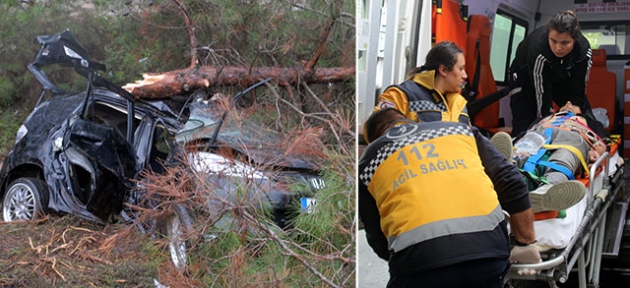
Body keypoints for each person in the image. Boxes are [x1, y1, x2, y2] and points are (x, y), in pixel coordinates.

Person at [358, 108, 540, 288]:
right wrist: (526, 242)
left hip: (418, 268)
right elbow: (510, 180)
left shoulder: (368, 161)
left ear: (375, 139)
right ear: (410, 121)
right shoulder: (460, 131)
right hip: (487, 255)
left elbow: (377, 237)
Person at [491, 101, 608, 214]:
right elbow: (525, 133)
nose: (568, 104)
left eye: (573, 105)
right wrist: (516, 143)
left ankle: (547, 189)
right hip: (539, 136)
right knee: (523, 154)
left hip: (572, 138)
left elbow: (602, 143)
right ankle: (514, 178)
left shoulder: (589, 121)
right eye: (565, 104)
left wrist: (597, 153)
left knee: (563, 158)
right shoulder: (544, 119)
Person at [508, 10, 599, 137]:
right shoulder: (538, 50)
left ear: (574, 39)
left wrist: (576, 110)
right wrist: (545, 120)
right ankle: (521, 150)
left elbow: (579, 87)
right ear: (548, 36)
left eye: (564, 43)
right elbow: (542, 95)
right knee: (525, 120)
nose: (558, 48)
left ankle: (595, 144)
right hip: (525, 78)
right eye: (554, 41)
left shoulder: (583, 51)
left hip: (559, 76)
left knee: (583, 113)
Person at [370, 41, 469, 128]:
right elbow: (374, 129)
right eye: (461, 69)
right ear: (443, 70)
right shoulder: (401, 96)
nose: (465, 75)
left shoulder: (459, 103)